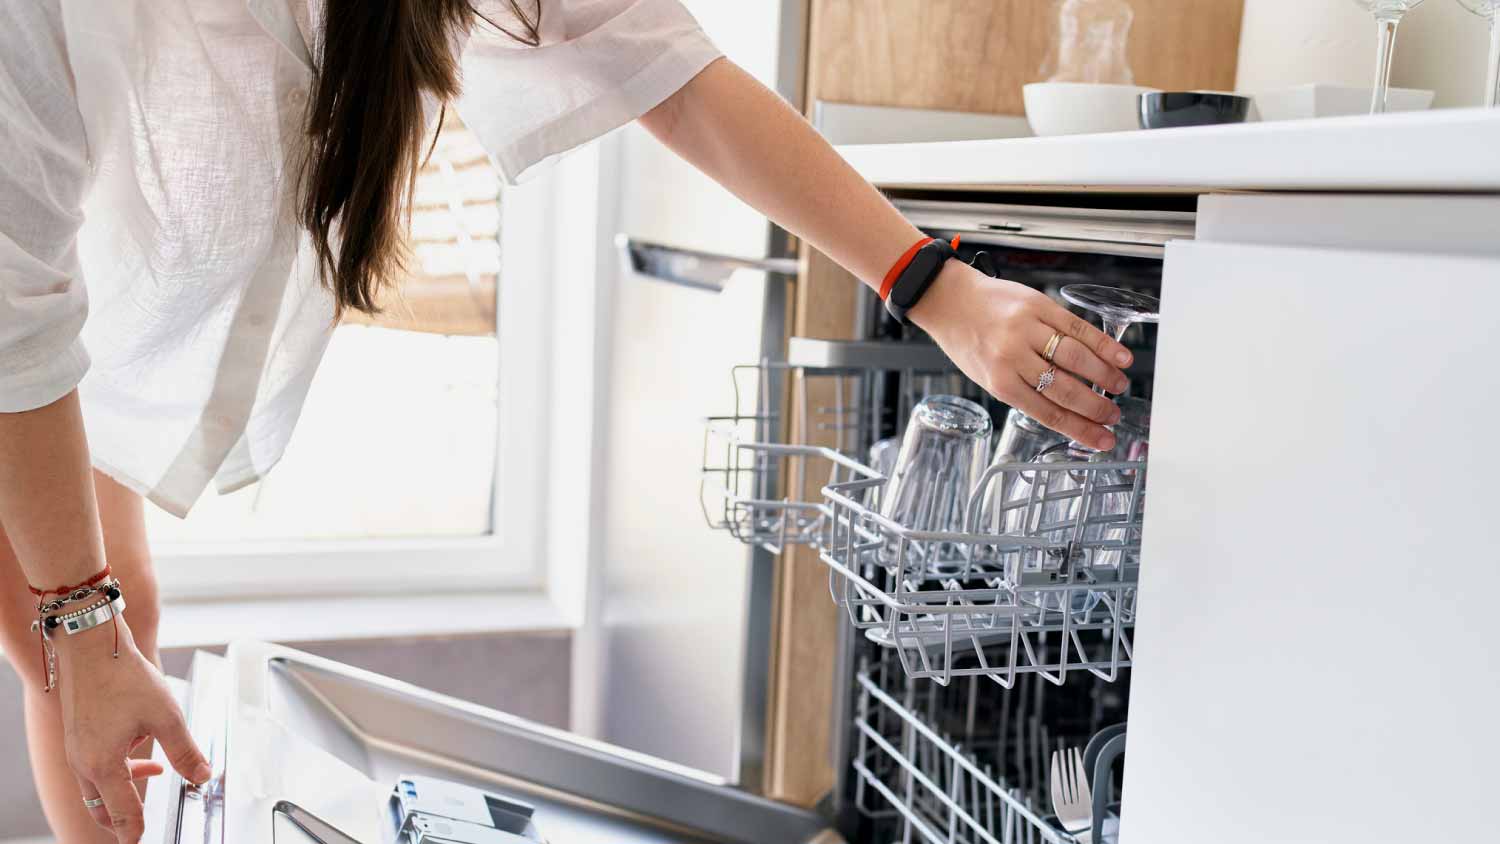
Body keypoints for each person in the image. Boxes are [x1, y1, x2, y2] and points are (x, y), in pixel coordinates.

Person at [0, 1, 1133, 841]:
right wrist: (78, 629)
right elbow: (12, 311)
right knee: (81, 652)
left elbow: (672, 76)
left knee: (102, 635)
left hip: (50, 330)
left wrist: (932, 281)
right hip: (17, 312)